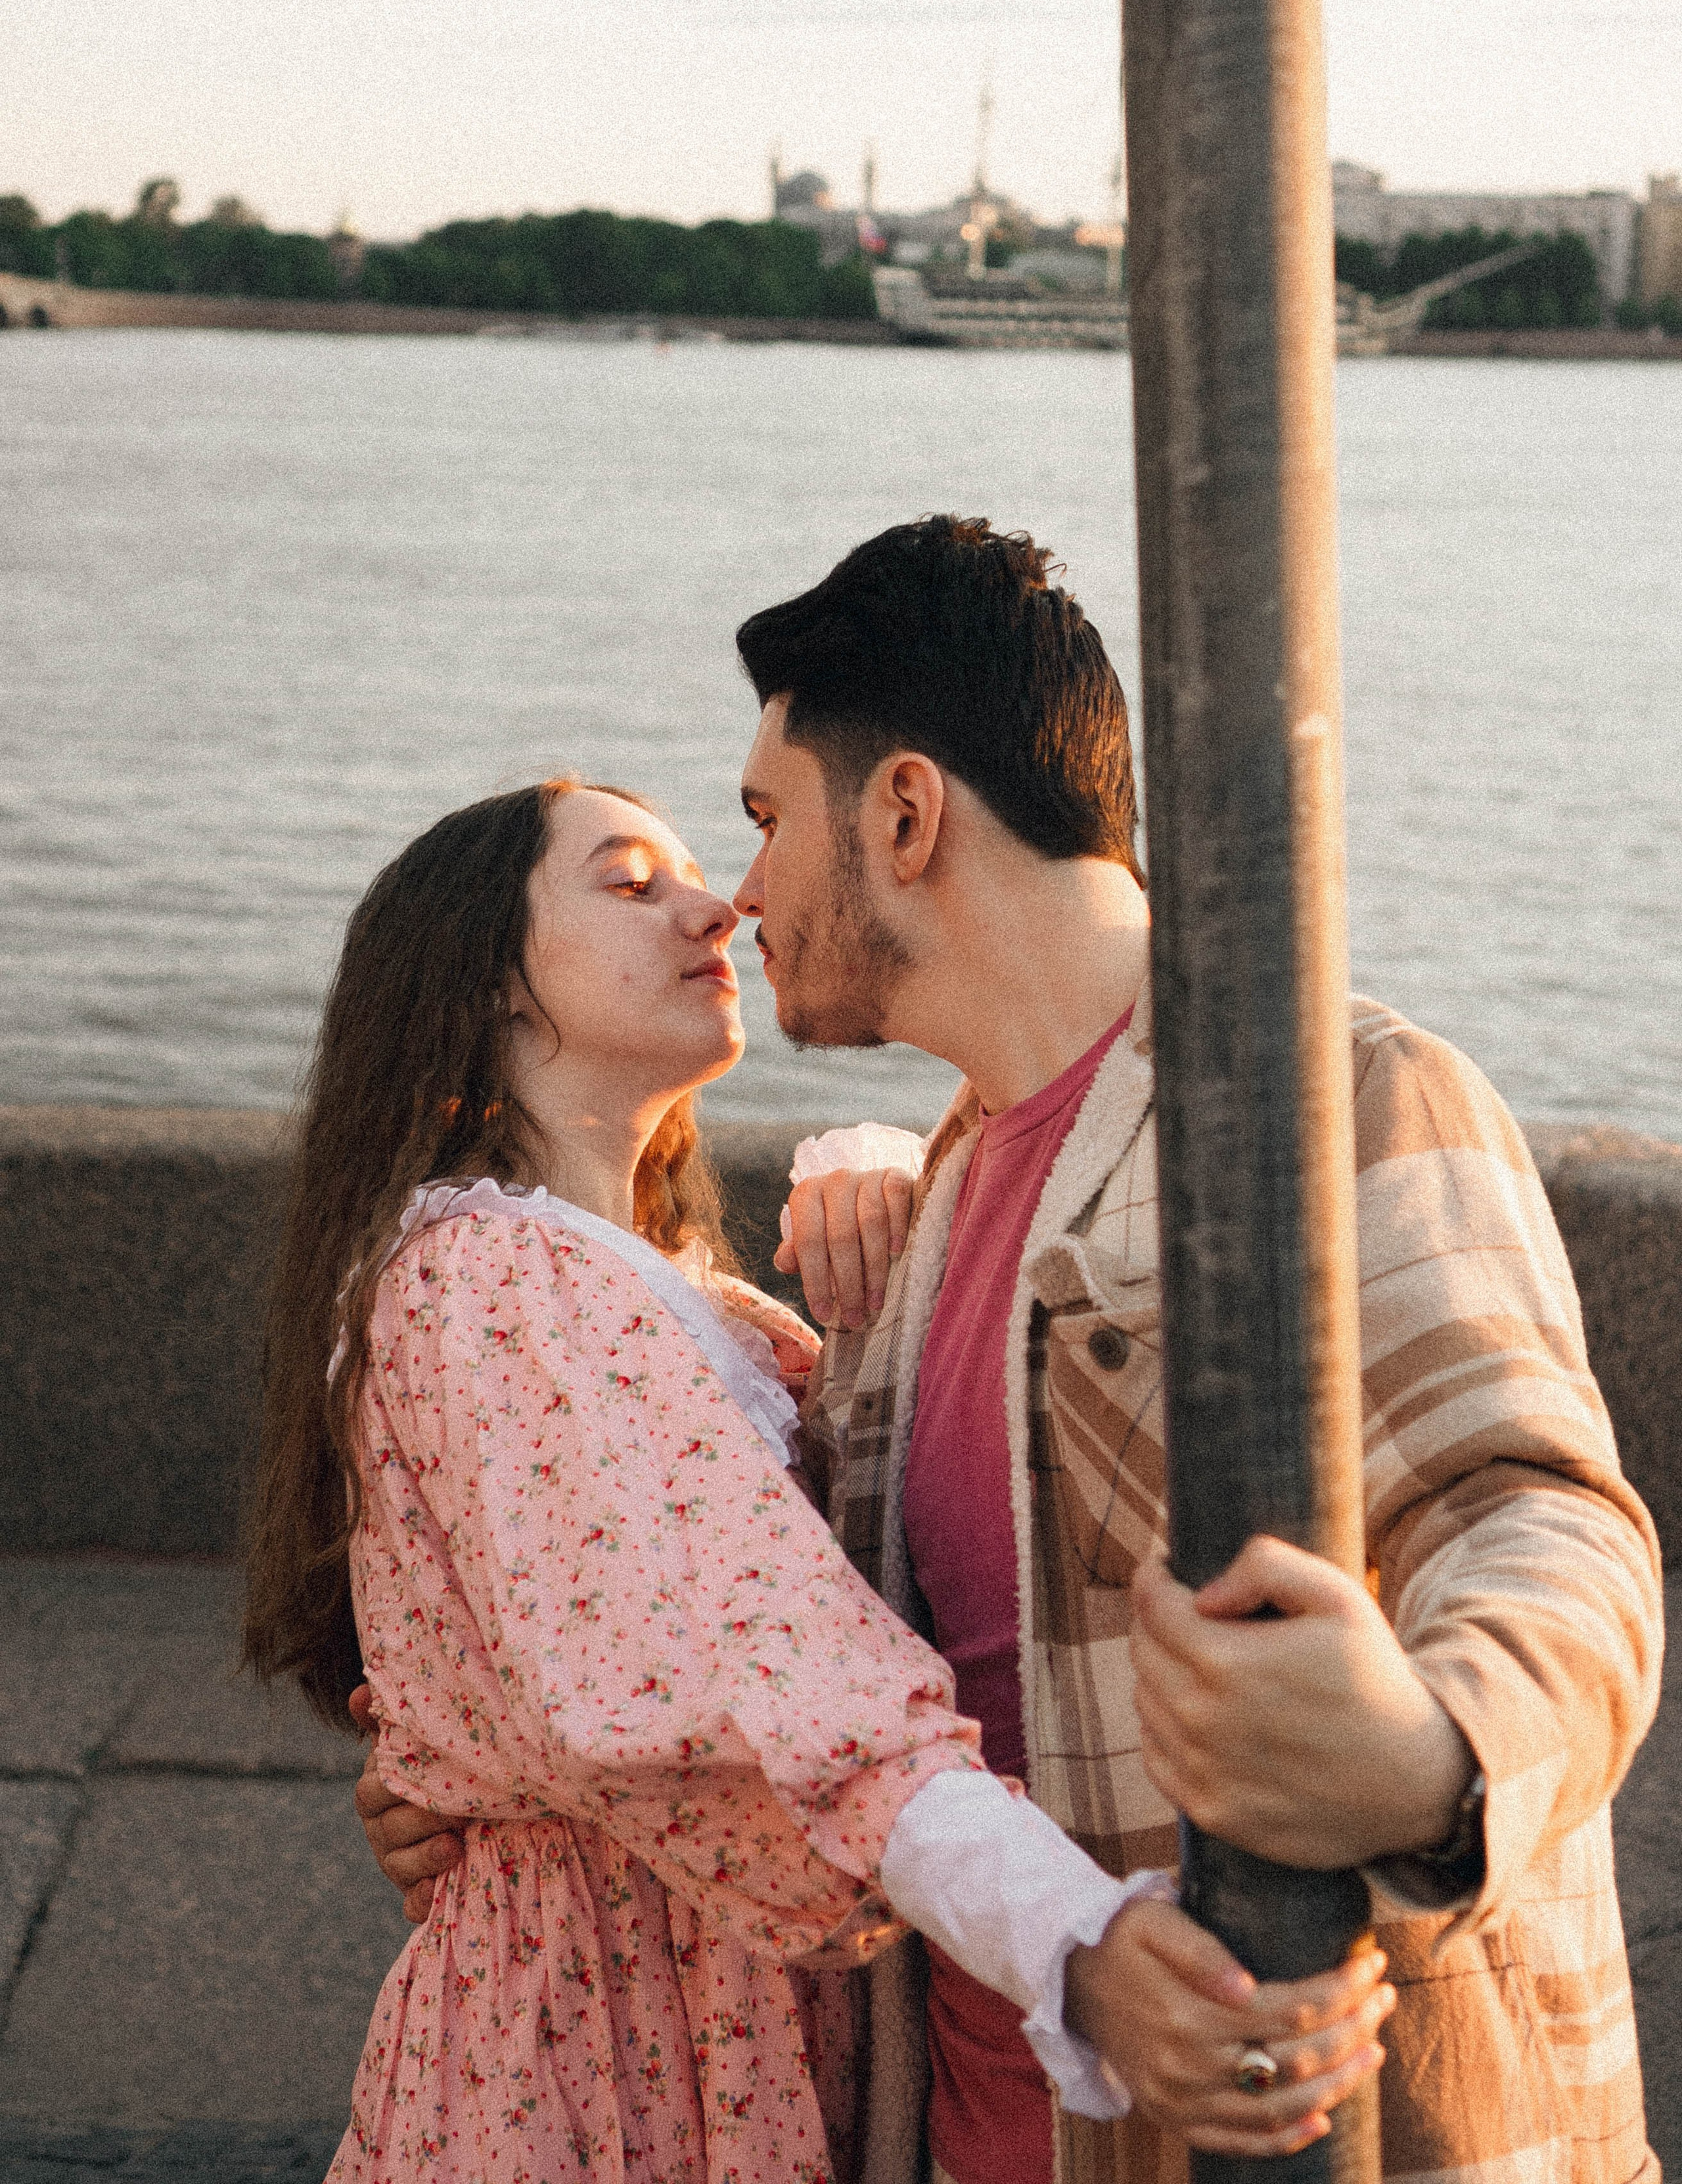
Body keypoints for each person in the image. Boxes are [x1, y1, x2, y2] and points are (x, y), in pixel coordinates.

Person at [360, 519, 1662, 2184]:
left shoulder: (1323, 1092)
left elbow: (1543, 1521)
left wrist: (1426, 1756)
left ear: (902, 814)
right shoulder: (949, 1195)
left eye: (765, 823)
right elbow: (766, 1644)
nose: (740, 894)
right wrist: (504, 1784)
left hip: (1319, 2130)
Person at [246, 771, 1391, 2184]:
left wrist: (893, 1168)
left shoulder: (668, 1295)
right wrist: (1076, 1948)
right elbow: (771, 1658)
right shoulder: (490, 1279)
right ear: (484, 979)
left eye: (695, 867)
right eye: (627, 881)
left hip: (719, 2024)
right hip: (596, 2056)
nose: (713, 902)